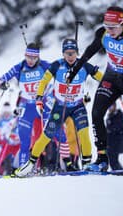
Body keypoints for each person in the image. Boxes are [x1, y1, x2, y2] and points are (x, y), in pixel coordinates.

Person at [66, 6, 123, 171]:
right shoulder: (103, 35)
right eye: (107, 26)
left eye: (113, 27)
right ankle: (101, 158)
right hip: (112, 79)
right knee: (96, 113)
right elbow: (88, 53)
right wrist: (73, 71)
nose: (110, 30)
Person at [15, 38, 103, 177]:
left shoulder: (84, 65)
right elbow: (44, 81)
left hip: (78, 106)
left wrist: (111, 82)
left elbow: (100, 77)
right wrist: (39, 98)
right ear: (63, 54)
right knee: (46, 136)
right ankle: (30, 164)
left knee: (84, 134)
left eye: (73, 53)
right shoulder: (57, 66)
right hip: (60, 107)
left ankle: (87, 164)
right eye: (67, 53)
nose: (70, 57)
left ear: (77, 52)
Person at [0, 43, 50, 169]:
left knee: (44, 139)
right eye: (28, 57)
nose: (30, 60)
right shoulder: (19, 67)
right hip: (26, 108)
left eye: (34, 58)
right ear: (25, 55)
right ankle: (23, 168)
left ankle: (44, 167)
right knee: (25, 141)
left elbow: (62, 71)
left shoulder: (45, 65)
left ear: (38, 57)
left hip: (42, 106)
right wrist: (2, 84)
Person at [106, 102, 123, 174]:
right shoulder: (109, 115)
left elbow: (118, 127)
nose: (110, 109)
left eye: (111, 106)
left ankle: (121, 174)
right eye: (109, 107)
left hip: (116, 143)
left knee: (114, 162)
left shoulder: (119, 115)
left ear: (115, 106)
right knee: (112, 162)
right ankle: (121, 174)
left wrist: (109, 130)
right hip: (110, 143)